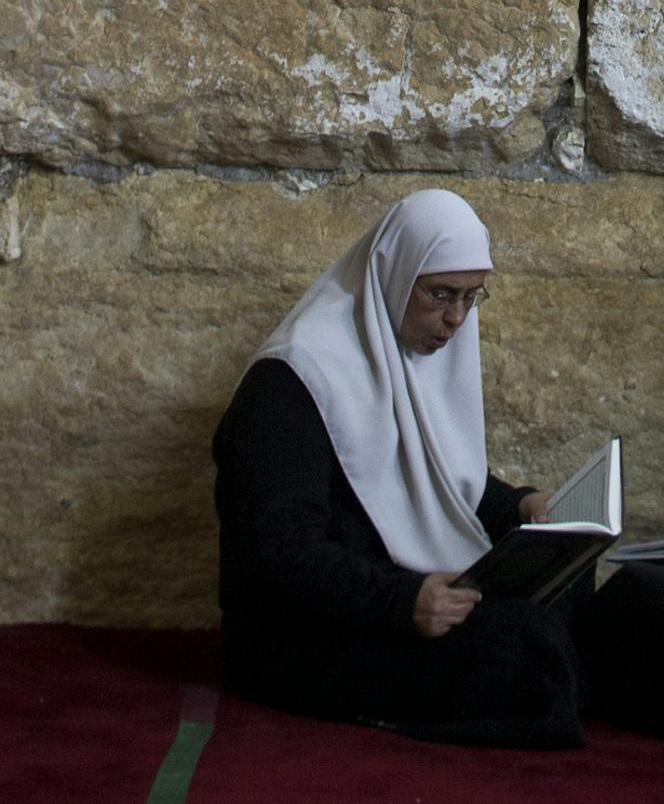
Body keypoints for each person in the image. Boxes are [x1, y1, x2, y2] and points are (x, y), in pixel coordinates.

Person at [211, 187, 583, 747]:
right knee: (528, 644)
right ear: (394, 274)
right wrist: (401, 602)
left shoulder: (410, 351)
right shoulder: (291, 382)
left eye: (471, 297)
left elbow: (434, 476)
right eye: (440, 295)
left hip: (402, 598)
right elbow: (284, 550)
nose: (456, 318)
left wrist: (521, 506)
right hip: (311, 631)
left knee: (576, 598)